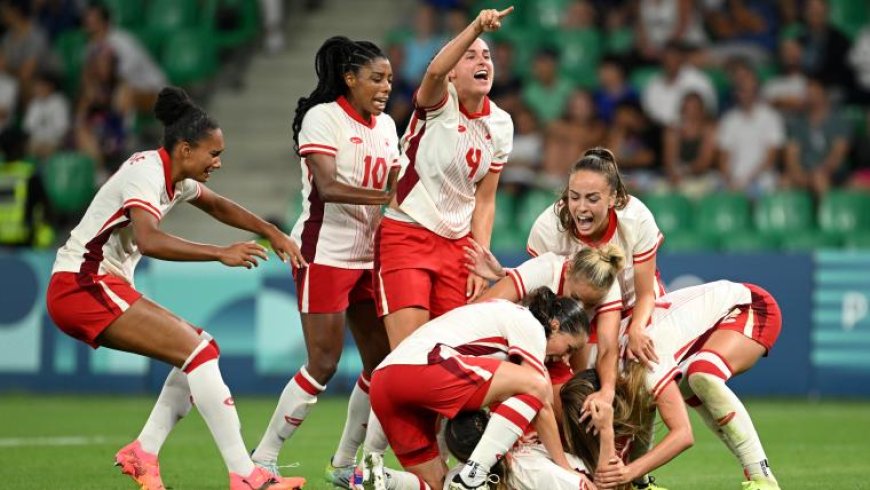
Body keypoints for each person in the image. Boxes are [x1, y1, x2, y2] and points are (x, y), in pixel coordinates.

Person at [45, 86, 306, 490]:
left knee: (201, 350)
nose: (217, 162)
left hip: (98, 284)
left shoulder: (174, 176)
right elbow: (149, 240)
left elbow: (219, 205)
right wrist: (219, 252)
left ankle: (144, 452)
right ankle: (247, 476)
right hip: (81, 284)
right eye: (213, 153)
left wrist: (272, 231)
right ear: (185, 149)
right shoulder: (145, 175)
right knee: (199, 353)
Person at [249, 36, 399, 487]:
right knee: (324, 363)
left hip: (369, 257)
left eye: (390, 79)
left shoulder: (388, 126)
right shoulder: (322, 117)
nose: (386, 87)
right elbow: (329, 187)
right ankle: (263, 457)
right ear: (350, 78)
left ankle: (344, 463)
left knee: (383, 363)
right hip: (324, 253)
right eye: (376, 78)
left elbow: (396, 182)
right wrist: (387, 196)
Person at [525, 147, 665, 490]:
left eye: (592, 198)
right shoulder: (548, 227)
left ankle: (633, 473)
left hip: (631, 306)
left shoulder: (637, 219)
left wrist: (634, 329)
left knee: (634, 379)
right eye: (574, 198)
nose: (581, 208)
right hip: (572, 315)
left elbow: (646, 293)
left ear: (615, 198)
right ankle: (572, 463)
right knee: (575, 391)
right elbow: (549, 304)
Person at [374, 6, 515, 346]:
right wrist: (476, 27)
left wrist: (479, 256)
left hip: (456, 246)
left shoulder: (501, 124)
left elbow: (485, 199)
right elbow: (435, 71)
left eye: (487, 56)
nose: (483, 61)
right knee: (410, 354)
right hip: (407, 235)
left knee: (449, 353)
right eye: (470, 56)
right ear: (453, 72)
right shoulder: (438, 101)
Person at [561, 280, 782, 490]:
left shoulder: (644, 363)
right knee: (650, 399)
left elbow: (683, 435)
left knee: (703, 375)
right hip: (694, 341)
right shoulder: (606, 369)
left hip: (749, 305)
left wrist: (627, 472)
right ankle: (642, 485)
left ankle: (763, 479)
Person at [369, 288, 590, 490]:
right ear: (555, 326)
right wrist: (564, 466)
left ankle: (377, 475)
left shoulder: (503, 312)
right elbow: (541, 398)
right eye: (569, 348)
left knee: (437, 485)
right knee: (537, 384)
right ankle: (473, 476)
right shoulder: (531, 325)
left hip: (383, 381)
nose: (565, 358)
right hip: (420, 368)